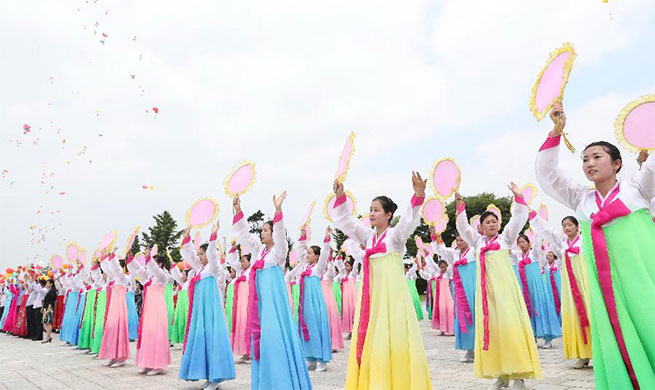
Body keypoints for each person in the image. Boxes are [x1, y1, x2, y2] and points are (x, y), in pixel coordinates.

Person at [536, 102, 655, 389]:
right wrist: (556, 131)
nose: (589, 163)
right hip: (606, 293)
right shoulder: (581, 200)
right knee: (618, 342)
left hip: (642, 283)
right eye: (585, 159)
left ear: (616, 164)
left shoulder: (638, 189)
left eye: (597, 157)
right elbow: (548, 175)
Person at [332, 172, 432, 389]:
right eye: (370, 210)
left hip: (393, 299)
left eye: (376, 210)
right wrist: (340, 198)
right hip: (372, 299)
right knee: (374, 341)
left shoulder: (395, 236)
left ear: (388, 215)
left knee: (394, 341)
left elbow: (408, 220)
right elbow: (347, 223)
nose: (371, 214)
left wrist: (418, 195)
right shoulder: (368, 237)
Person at [455, 185, 542, 390]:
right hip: (486, 297)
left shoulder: (506, 239)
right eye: (487, 222)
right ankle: (502, 375)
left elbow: (517, 220)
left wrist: (519, 198)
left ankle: (519, 376)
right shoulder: (476, 243)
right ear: (481, 227)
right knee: (493, 332)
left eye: (494, 221)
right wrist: (460, 208)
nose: (492, 224)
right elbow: (462, 228)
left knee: (511, 330)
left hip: (506, 295)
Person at [232, 192, 312, 389]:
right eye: (263, 230)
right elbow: (244, 235)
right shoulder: (259, 251)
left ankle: (282, 382)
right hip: (260, 307)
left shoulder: (278, 251)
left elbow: (280, 234)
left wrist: (278, 211)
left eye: (266, 230)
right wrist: (238, 210)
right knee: (264, 343)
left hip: (273, 308)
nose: (263, 233)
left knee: (275, 340)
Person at [531, 213, 592, 369]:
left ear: (577, 227)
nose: (567, 228)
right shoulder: (561, 244)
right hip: (569, 285)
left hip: (586, 283)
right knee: (575, 316)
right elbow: (548, 231)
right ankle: (583, 354)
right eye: (564, 225)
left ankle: (598, 351)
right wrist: (531, 213)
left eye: (570, 225)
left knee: (591, 314)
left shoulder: (586, 240)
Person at [179, 222, 235, 389]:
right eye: (200, 254)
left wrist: (213, 236)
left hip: (211, 310)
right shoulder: (199, 268)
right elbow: (189, 255)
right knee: (203, 339)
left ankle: (216, 377)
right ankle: (210, 375)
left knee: (212, 338)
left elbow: (212, 254)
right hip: (200, 310)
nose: (199, 257)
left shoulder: (213, 268)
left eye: (201, 254)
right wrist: (186, 237)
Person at [285, 226, 334, 372]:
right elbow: (300, 251)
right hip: (304, 304)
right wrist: (302, 236)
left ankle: (321, 359)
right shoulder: (304, 267)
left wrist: (327, 238)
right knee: (305, 327)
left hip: (315, 303)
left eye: (311, 253)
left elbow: (325, 253)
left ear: (317, 257)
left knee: (317, 327)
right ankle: (310, 357)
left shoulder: (318, 268)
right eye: (308, 252)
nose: (308, 255)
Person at [432, 228, 476, 362]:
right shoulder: (455, 254)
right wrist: (435, 236)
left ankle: (480, 347)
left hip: (473, 287)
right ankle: (469, 349)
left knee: (475, 314)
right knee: (462, 316)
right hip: (460, 288)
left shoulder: (474, 251)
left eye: (462, 240)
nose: (459, 242)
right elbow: (442, 250)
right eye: (457, 240)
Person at [127, 248, 172, 376]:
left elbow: (155, 270)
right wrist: (131, 258)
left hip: (158, 308)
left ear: (160, 264)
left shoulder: (162, 276)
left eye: (153, 262)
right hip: (149, 308)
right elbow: (139, 270)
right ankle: (147, 363)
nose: (149, 265)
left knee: (157, 334)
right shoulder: (149, 277)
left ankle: (158, 365)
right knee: (148, 334)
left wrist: (149, 258)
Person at [41, 278, 57, 343]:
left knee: (47, 323)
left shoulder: (52, 291)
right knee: (45, 323)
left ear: (51, 284)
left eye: (48, 283)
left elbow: (51, 301)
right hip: (45, 308)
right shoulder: (49, 290)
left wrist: (48, 309)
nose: (47, 284)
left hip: (49, 308)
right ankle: (48, 337)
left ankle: (48, 337)